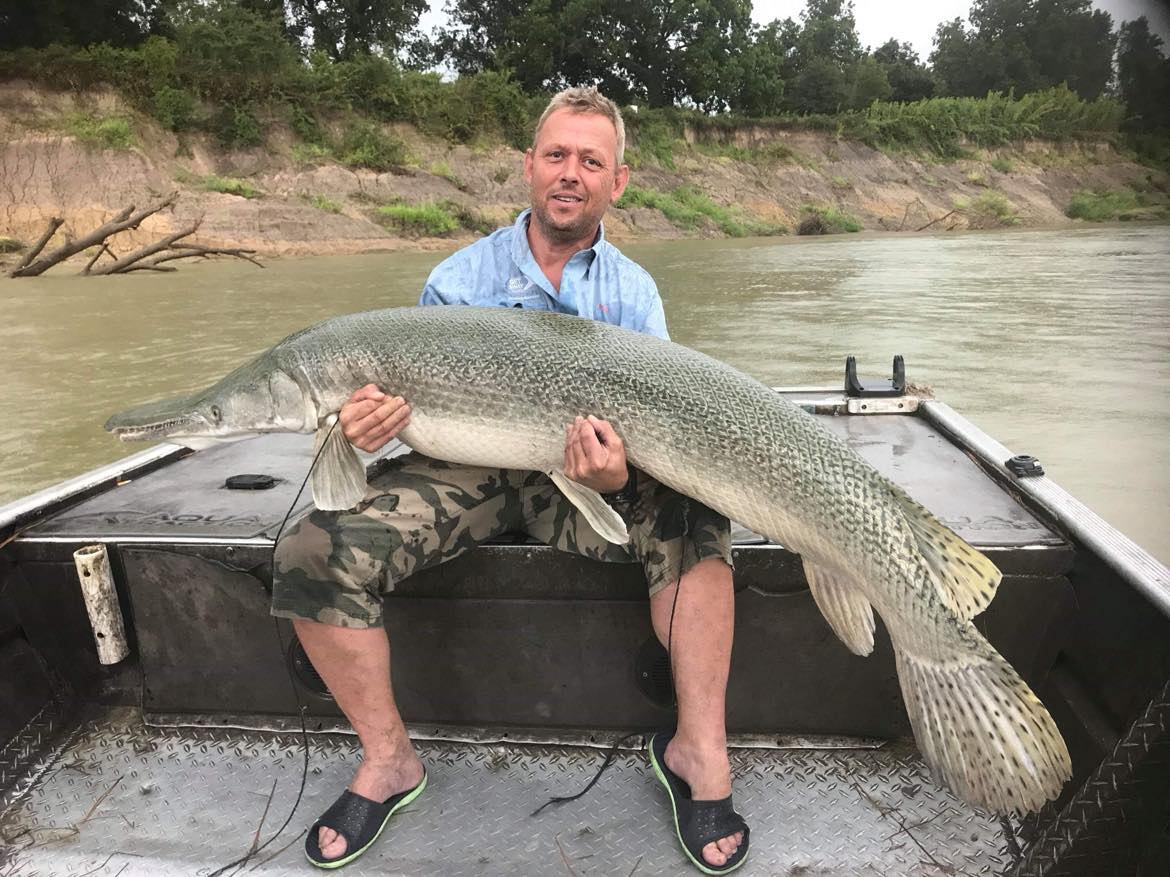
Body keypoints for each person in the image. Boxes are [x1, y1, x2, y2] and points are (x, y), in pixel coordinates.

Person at [272, 87, 749, 874]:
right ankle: (389, 760)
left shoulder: (634, 293)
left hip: (585, 481)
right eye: (556, 155)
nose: (570, 173)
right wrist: (363, 427)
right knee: (309, 551)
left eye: (590, 160)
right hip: (468, 473)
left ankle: (698, 749)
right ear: (528, 166)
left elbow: (661, 426)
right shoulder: (456, 278)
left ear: (617, 181)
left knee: (698, 518)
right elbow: (398, 419)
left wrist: (618, 470)